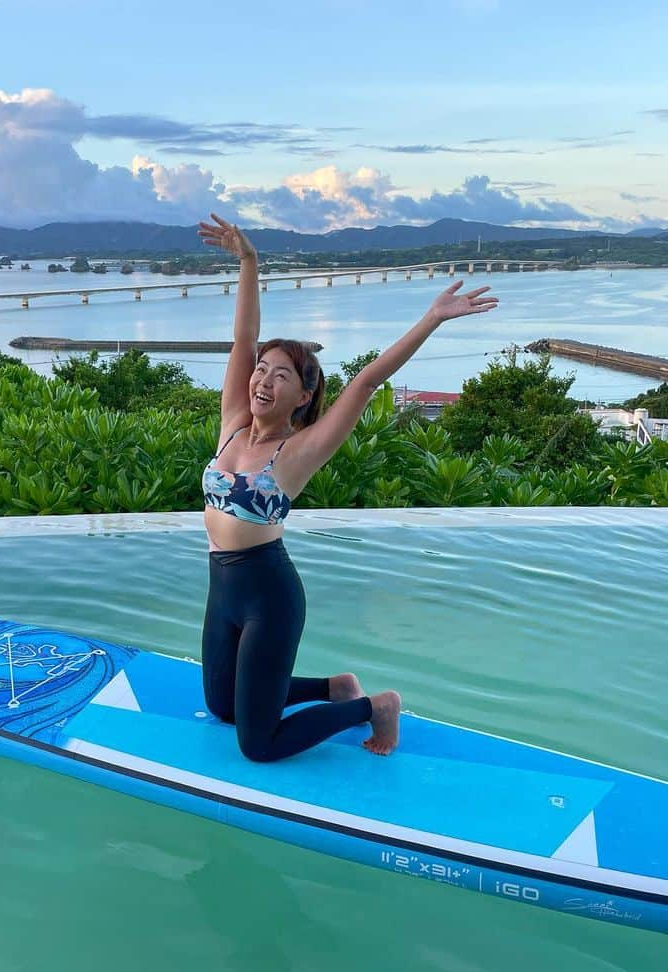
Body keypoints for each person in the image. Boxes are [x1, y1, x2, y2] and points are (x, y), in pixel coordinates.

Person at [197, 213, 499, 761]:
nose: (263, 379)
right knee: (221, 705)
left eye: (281, 375)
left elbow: (366, 381)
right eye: (262, 370)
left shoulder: (298, 451)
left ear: (303, 396)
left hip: (269, 595)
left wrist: (431, 318)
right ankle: (334, 686)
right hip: (222, 586)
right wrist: (249, 261)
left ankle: (372, 706)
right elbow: (243, 336)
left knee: (257, 745)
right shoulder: (234, 422)